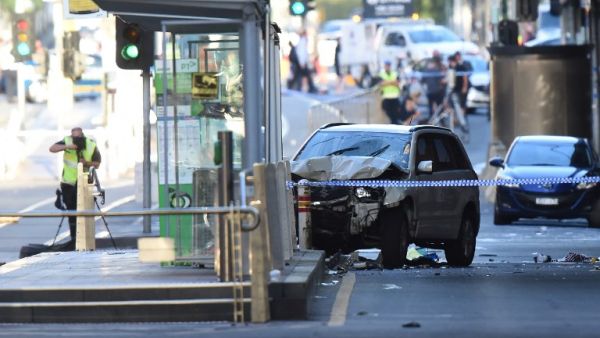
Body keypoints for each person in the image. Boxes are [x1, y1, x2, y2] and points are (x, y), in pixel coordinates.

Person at [49, 127, 101, 243]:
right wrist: (67, 147)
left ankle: (85, 239)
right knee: (71, 211)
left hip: (84, 182)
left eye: (78, 137)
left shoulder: (90, 145)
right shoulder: (67, 141)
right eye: (74, 137)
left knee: (84, 211)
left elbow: (97, 164)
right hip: (68, 182)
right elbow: (52, 148)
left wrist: (86, 163)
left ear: (83, 135)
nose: (76, 140)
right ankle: (74, 238)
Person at [422, 50, 447, 118]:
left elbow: (423, 80)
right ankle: (441, 120)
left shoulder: (426, 70)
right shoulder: (437, 70)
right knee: (440, 107)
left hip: (430, 91)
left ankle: (431, 120)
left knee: (431, 107)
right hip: (437, 91)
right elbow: (441, 81)